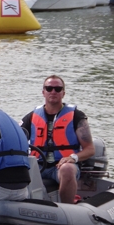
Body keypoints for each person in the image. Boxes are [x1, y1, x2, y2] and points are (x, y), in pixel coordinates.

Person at [21, 75, 95, 204]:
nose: (53, 92)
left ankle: (68, 209)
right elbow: (17, 140)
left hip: (62, 166)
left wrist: (73, 158)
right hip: (38, 165)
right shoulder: (31, 117)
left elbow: (90, 149)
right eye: (49, 88)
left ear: (63, 93)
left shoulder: (77, 116)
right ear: (43, 92)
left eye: (57, 89)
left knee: (67, 169)